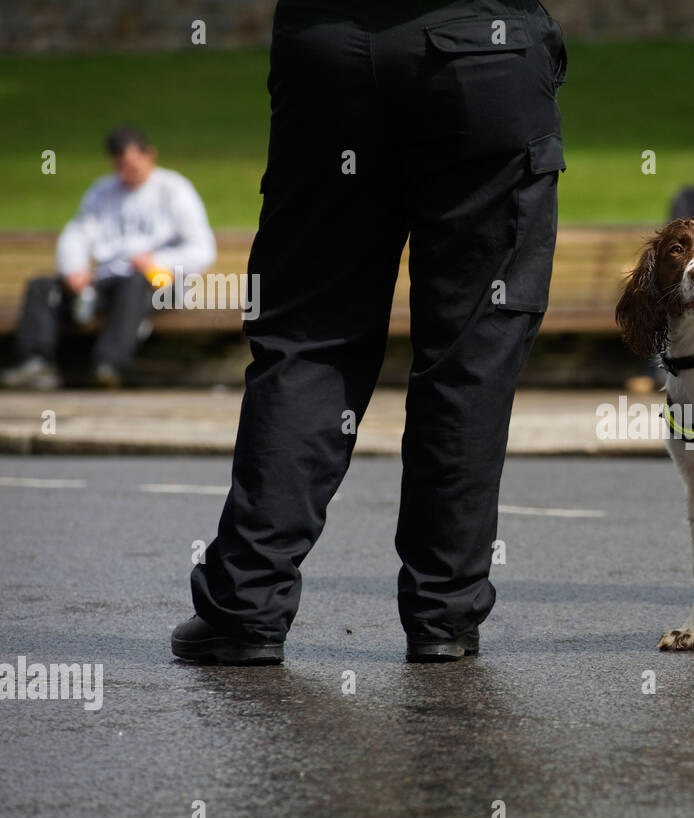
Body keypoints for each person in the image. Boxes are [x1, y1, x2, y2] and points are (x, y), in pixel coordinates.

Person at [171, 0, 567, 665]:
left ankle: (246, 607)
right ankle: (443, 614)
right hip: (482, 49)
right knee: (470, 353)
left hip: (332, 50)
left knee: (309, 339)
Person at [1, 125, 215, 390]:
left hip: (159, 283)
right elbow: (77, 234)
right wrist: (74, 269)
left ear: (150, 156)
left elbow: (202, 249)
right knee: (42, 287)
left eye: (134, 167)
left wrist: (157, 261)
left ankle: (109, 365)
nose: (128, 174)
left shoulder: (174, 190)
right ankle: (35, 363)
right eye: (121, 167)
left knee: (135, 283)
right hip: (108, 280)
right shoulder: (103, 192)